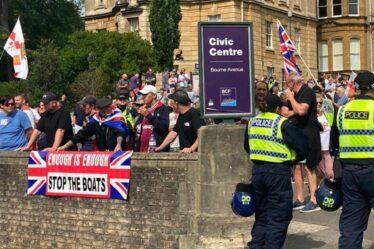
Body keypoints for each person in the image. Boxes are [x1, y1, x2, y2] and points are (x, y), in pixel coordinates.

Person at [244, 94, 309, 249]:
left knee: (262, 215)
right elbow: (303, 147)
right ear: (279, 108)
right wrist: (294, 158)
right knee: (278, 217)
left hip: (258, 172)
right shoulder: (282, 123)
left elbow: (247, 146)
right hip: (278, 173)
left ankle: (256, 246)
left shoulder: (252, 122)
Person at [336, 72, 374, 249]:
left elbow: (337, 140)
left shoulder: (343, 110)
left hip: (350, 171)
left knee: (351, 223)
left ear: (355, 88)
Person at [281, 72, 321, 213]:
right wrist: (294, 109)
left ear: (293, 82)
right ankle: (299, 199)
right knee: (297, 166)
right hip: (297, 133)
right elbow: (284, 112)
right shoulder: (291, 95)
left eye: (287, 82)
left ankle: (313, 199)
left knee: (310, 166)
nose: (286, 86)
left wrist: (292, 99)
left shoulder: (307, 92)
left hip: (309, 132)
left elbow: (302, 111)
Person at [58, 98, 128, 152]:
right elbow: (82, 134)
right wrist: (65, 146)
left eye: (109, 106)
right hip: (103, 155)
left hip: (117, 153)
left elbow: (120, 132)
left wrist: (119, 144)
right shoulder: (95, 120)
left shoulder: (117, 117)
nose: (108, 109)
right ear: (99, 109)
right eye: (105, 108)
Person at [134, 85, 170, 152]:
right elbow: (138, 131)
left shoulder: (163, 109)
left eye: (146, 95)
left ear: (154, 96)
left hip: (157, 151)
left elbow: (164, 127)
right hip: (142, 150)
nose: (143, 97)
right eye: (143, 95)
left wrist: (149, 116)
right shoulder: (143, 110)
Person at [316, 94, 334, 183]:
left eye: (321, 102)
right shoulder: (312, 116)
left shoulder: (325, 114)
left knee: (328, 173)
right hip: (317, 149)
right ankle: (314, 191)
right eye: (316, 103)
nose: (319, 104)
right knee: (320, 174)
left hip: (326, 149)